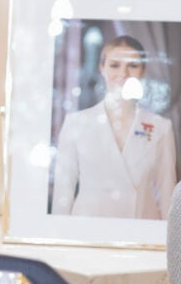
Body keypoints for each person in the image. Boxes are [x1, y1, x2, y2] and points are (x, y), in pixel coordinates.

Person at [52, 35, 177, 219]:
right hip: (88, 227)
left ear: (143, 70)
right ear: (102, 67)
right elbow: (63, 192)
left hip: (141, 226)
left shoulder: (161, 127)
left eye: (132, 65)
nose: (123, 74)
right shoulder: (76, 123)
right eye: (114, 65)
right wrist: (58, 233)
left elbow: (167, 195)